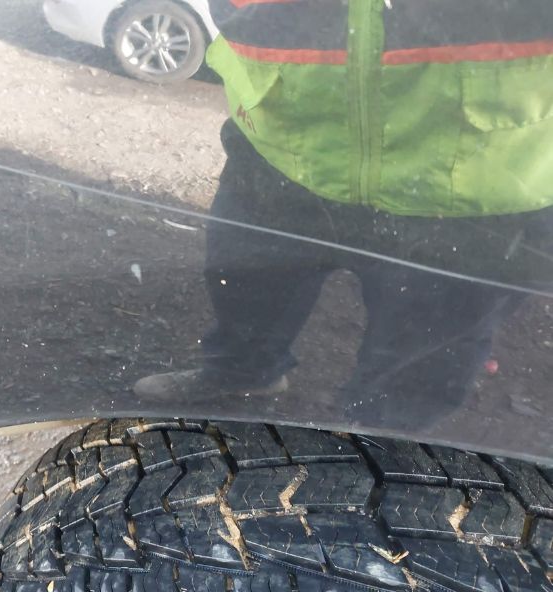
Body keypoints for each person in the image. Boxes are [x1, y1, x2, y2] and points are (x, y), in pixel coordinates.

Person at [134, 0, 553, 427]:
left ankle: (376, 451)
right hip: (283, 142)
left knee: (420, 363)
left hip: (476, 184)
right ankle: (243, 373)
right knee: (245, 289)